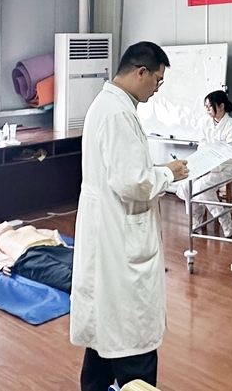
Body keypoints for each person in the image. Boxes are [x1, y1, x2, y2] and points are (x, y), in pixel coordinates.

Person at [70, 41, 189, 391]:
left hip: (107, 231)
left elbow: (124, 172)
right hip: (120, 239)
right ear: (141, 72)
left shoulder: (108, 105)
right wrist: (167, 173)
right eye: (157, 80)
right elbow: (131, 183)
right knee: (131, 340)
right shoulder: (118, 113)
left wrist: (156, 171)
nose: (157, 89)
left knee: (103, 338)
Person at [176, 90, 232, 239]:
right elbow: (202, 145)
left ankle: (225, 221)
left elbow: (229, 154)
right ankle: (197, 217)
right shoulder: (205, 122)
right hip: (206, 165)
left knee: (201, 188)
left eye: (210, 106)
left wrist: (210, 165)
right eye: (206, 107)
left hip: (226, 169)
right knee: (186, 184)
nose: (207, 110)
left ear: (221, 106)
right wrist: (201, 164)